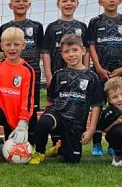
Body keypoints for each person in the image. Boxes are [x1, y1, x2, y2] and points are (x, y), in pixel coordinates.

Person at [30, 34, 104, 165]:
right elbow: (50, 100)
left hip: (75, 123)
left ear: (83, 51)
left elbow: (97, 105)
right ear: (62, 55)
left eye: (75, 50)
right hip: (58, 115)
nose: (71, 54)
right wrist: (47, 116)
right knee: (43, 122)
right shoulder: (59, 74)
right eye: (66, 52)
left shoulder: (92, 77)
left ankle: (60, 147)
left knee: (72, 160)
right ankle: (40, 152)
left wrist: (91, 129)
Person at [87, 0, 122, 156]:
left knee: (118, 107)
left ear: (120, 0)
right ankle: (97, 143)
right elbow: (91, 46)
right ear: (101, 2)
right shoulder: (95, 22)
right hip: (100, 72)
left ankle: (114, 143)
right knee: (98, 107)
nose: (111, 0)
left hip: (118, 72)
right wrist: (98, 67)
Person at [41, 0, 89, 157]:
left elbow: (87, 50)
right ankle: (56, 143)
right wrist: (48, 74)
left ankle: (68, 142)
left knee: (74, 107)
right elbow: (46, 52)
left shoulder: (82, 27)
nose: (68, 4)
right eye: (64, 1)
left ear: (77, 3)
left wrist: (87, 70)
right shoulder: (53, 27)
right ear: (58, 4)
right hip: (58, 76)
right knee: (56, 106)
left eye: (72, 0)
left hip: (78, 76)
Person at [0, 26, 35, 166]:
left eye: (16, 44)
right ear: (2, 46)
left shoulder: (27, 71)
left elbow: (28, 100)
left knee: (12, 154)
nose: (12, 48)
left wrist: (23, 123)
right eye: (8, 44)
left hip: (16, 114)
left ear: (23, 46)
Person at [1, 0, 44, 132]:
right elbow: (2, 54)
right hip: (10, 76)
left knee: (30, 108)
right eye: (17, 1)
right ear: (10, 5)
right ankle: (10, 142)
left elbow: (40, 50)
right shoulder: (4, 27)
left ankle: (30, 143)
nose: (21, 3)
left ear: (29, 4)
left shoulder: (37, 26)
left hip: (32, 74)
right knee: (10, 107)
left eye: (24, 1)